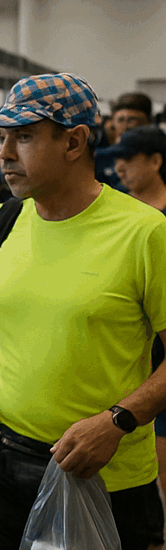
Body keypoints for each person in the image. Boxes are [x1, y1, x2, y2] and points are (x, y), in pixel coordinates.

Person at [0, 73, 166, 550]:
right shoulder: (0, 221)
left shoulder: (144, 234)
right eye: (1, 137)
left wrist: (118, 420)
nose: (4, 153)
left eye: (24, 136)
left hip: (100, 482)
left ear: (74, 141)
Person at [101, 125, 166, 506]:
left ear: (156, 161)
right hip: (128, 370)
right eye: (116, 160)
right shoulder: (114, 217)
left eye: (130, 159)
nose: (120, 167)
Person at [95, 92, 153, 191]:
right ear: (112, 122)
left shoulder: (155, 156)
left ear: (148, 122)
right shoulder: (98, 157)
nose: (127, 126)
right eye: (121, 120)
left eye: (133, 120)